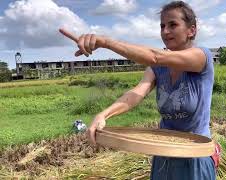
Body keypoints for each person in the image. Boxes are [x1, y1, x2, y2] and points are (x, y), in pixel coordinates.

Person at [59, 1, 216, 179]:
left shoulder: (202, 57)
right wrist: (103, 115)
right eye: (162, 26)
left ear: (191, 30)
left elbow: (155, 57)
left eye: (173, 25)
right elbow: (136, 94)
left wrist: (105, 42)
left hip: (193, 154)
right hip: (164, 152)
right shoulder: (158, 69)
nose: (165, 31)